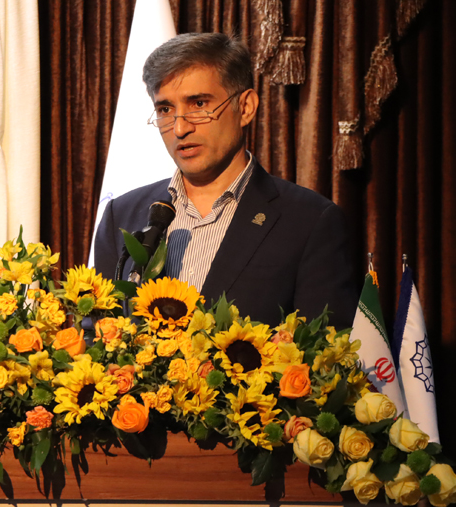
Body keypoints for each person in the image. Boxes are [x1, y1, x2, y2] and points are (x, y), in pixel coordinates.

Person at [93, 33, 357, 329]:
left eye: (198, 104)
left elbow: (328, 349)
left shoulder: (309, 222)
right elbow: (98, 335)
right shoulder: (122, 216)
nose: (180, 128)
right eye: (165, 109)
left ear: (245, 108)